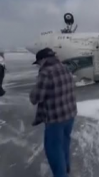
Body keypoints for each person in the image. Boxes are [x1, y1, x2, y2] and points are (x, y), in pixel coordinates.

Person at [29, 48, 77, 177]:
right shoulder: (66, 68)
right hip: (70, 114)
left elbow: (35, 98)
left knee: (53, 150)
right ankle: (66, 168)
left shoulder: (46, 73)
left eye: (38, 63)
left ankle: (61, 174)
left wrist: (33, 90)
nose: (38, 65)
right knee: (64, 144)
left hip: (55, 118)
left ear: (43, 60)